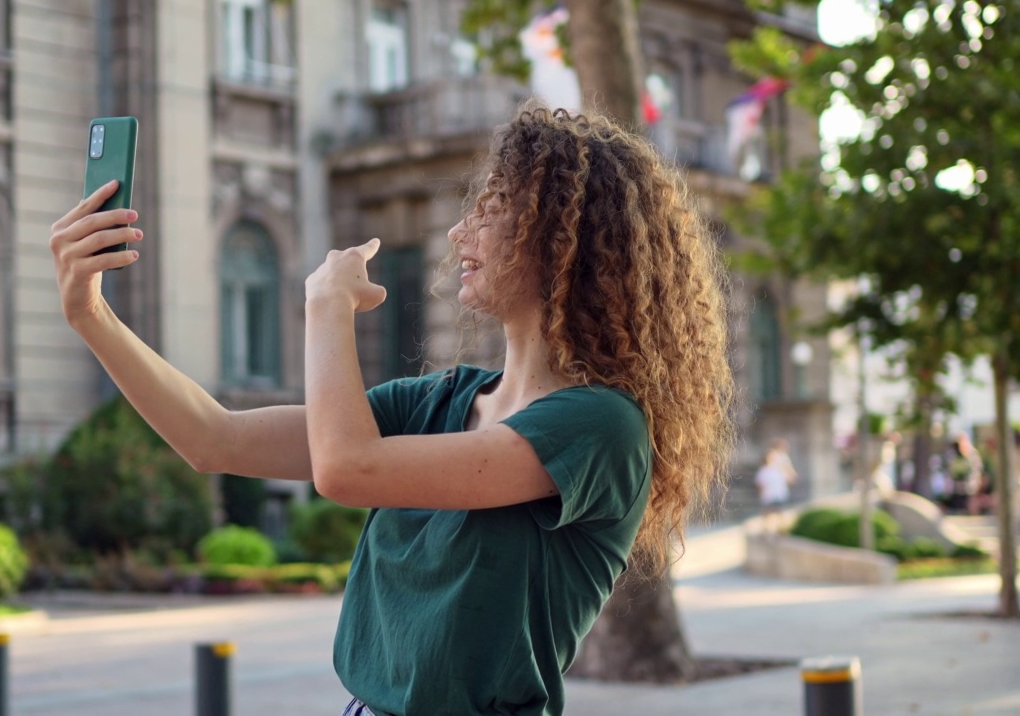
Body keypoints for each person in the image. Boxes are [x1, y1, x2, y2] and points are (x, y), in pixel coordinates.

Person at [48, 105, 735, 715]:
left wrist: (327, 307)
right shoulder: (439, 402)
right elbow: (215, 441)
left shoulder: (599, 428)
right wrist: (90, 314)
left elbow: (347, 471)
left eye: (492, 210)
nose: (460, 233)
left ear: (561, 244)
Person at [754, 440, 796, 532]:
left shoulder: (778, 468)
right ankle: (766, 530)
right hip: (768, 495)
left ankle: (782, 530)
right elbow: (760, 484)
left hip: (779, 493)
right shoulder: (764, 470)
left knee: (780, 512)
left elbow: (789, 477)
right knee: (768, 513)